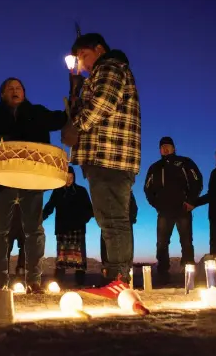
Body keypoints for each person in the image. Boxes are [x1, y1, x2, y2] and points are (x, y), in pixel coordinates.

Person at [0, 77, 67, 294]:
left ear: (24, 93)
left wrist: (75, 97)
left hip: (33, 180)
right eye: (10, 88)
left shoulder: (37, 113)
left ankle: (34, 280)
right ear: (2, 94)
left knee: (34, 230)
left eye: (19, 88)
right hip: (1, 181)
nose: (15, 91)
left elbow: (61, 119)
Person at [62, 33, 141, 294]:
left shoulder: (109, 66)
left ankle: (117, 280)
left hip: (109, 156)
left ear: (98, 49)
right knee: (112, 218)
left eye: (83, 56)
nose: (82, 64)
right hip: (109, 157)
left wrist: (76, 124)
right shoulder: (108, 71)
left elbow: (104, 102)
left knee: (113, 219)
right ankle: (117, 277)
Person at [144, 136, 203, 285]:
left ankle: (188, 271)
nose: (165, 148)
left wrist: (191, 201)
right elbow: (147, 188)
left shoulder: (184, 162)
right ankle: (163, 271)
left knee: (186, 241)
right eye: (162, 146)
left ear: (174, 148)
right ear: (159, 149)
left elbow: (197, 181)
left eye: (168, 146)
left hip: (183, 208)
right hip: (164, 211)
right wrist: (156, 204)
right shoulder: (155, 167)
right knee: (162, 243)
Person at [43, 166, 94, 286]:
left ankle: (80, 285)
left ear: (74, 177)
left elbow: (90, 210)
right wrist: (41, 217)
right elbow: (49, 206)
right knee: (61, 259)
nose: (68, 180)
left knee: (79, 260)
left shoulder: (81, 191)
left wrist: (82, 220)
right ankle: (57, 285)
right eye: (66, 177)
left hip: (78, 229)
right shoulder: (57, 191)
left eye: (71, 177)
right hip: (62, 229)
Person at [101, 191, 137, 280]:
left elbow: (133, 207)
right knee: (107, 246)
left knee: (125, 247)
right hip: (108, 222)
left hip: (124, 223)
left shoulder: (126, 190)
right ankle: (110, 278)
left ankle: (122, 277)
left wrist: (130, 219)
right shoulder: (106, 189)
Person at [6, 202, 26, 278]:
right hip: (10, 224)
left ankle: (20, 269)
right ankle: (4, 272)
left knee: (24, 248)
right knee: (6, 249)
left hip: (21, 224)